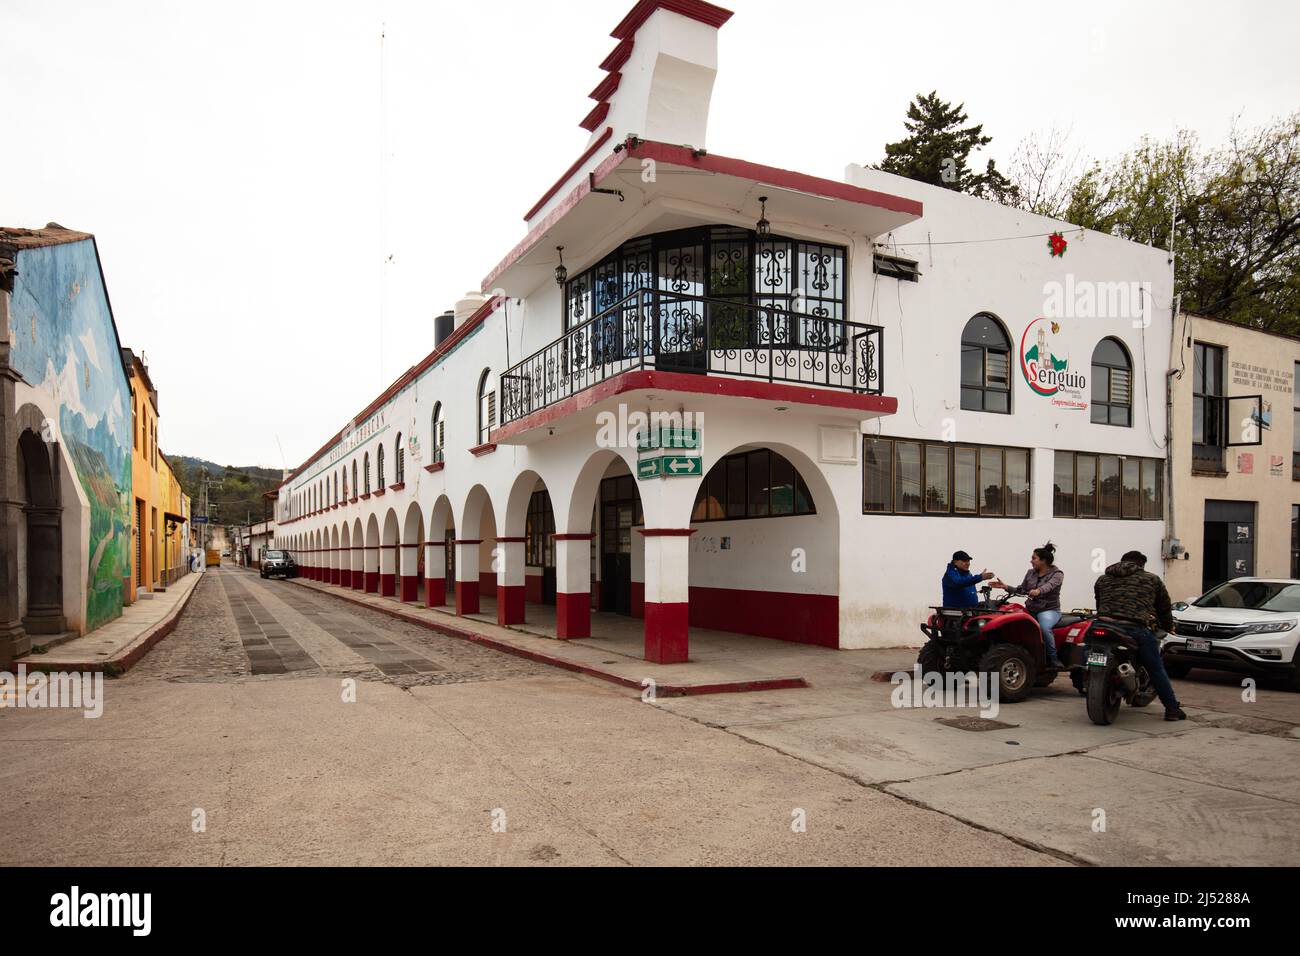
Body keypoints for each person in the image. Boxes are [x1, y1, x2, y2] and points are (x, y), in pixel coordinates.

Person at [1093, 550, 1186, 721]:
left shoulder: (1103, 579)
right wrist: (1168, 626)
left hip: (1101, 625)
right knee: (1156, 668)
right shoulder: (1151, 579)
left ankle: (1088, 674)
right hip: (1133, 628)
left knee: (1090, 651)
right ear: (1141, 565)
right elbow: (1163, 608)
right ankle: (1172, 709)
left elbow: (1100, 603)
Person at [993, 543, 1065, 669]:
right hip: (1030, 609)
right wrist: (1006, 587)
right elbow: (1022, 590)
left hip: (1049, 610)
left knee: (1044, 627)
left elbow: (1050, 586)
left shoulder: (1057, 574)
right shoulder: (1030, 573)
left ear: (1043, 561)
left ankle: (1053, 659)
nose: (1031, 561)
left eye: (1033, 558)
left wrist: (1038, 591)